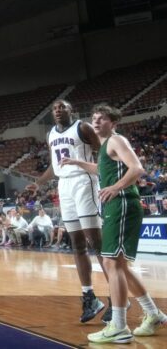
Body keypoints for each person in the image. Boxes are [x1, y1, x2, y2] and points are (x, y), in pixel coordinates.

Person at [61, 105, 167, 343]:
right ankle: (153, 314)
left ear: (113, 123)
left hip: (122, 204)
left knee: (111, 264)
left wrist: (116, 187)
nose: (96, 122)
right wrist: (77, 163)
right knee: (120, 266)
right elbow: (101, 169)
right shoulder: (105, 148)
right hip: (115, 207)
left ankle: (118, 325)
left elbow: (137, 168)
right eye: (94, 118)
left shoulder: (116, 140)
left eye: (102, 119)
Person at [33, 99, 108, 323]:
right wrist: (38, 182)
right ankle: (89, 295)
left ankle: (117, 296)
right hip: (64, 186)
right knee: (77, 244)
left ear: (70, 110)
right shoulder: (50, 134)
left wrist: (103, 174)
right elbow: (54, 166)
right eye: (54, 108)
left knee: (96, 242)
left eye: (61, 107)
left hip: (84, 181)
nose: (57, 110)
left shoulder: (82, 127)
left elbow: (103, 150)